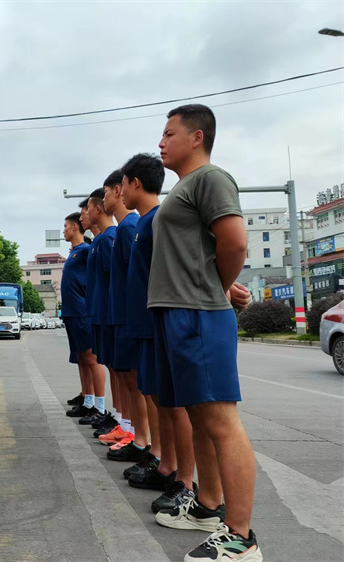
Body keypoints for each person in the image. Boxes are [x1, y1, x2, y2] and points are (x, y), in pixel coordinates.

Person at [149, 104, 261, 562]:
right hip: (179, 312)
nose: (161, 142)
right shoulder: (183, 188)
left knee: (220, 422)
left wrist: (214, 288)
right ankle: (207, 508)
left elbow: (234, 241)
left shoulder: (210, 179)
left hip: (197, 313)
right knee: (199, 419)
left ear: (196, 137)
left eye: (169, 133)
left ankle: (240, 537)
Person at [120, 153, 192, 509]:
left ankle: (185, 479)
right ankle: (166, 465)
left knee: (174, 404)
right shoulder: (145, 222)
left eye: (121, 185)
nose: (119, 193)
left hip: (158, 324)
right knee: (160, 401)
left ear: (135, 183)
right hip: (146, 325)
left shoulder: (153, 221)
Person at [101, 171, 149, 461]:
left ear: (119, 190)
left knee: (137, 383)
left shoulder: (130, 226)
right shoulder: (123, 229)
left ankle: (140, 439)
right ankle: (134, 432)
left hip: (131, 317)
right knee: (128, 380)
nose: (104, 198)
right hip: (119, 315)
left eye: (105, 193)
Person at [86, 184, 121, 440]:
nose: (84, 214)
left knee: (124, 375)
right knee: (114, 369)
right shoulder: (100, 241)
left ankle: (127, 426)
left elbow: (115, 281)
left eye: (87, 208)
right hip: (101, 314)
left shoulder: (110, 238)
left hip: (112, 315)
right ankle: (121, 420)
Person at [59, 213, 96, 418]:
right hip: (71, 313)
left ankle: (96, 404)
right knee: (81, 357)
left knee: (91, 358)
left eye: (65, 226)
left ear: (75, 227)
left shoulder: (85, 250)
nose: (63, 230)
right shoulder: (75, 252)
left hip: (82, 311)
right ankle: (86, 397)